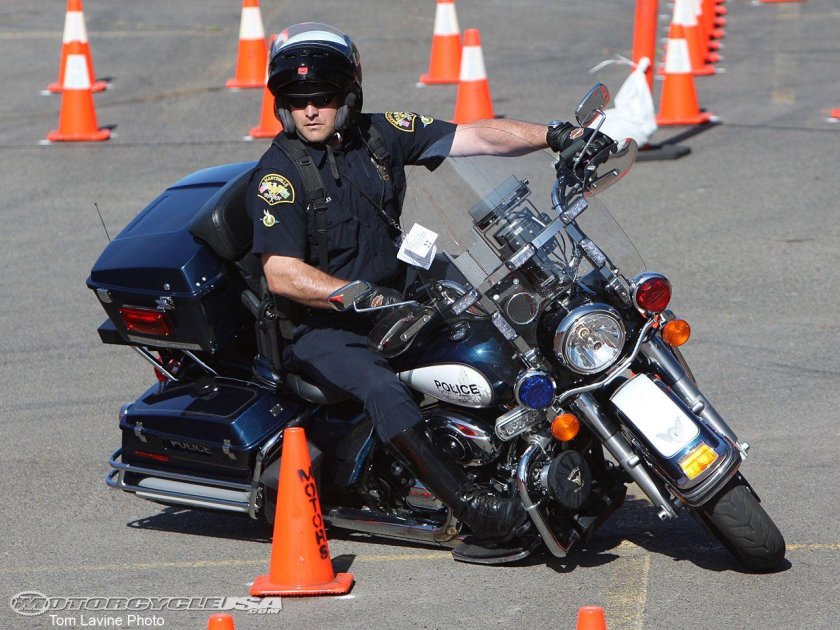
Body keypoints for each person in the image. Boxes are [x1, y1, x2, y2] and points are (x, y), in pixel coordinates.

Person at [246, 22, 613, 556]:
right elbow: (281, 272)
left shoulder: (380, 134)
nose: (310, 112)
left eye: (322, 99)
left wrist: (558, 136)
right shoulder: (277, 177)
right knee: (381, 388)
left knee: (506, 330)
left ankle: (561, 451)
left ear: (348, 96)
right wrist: (354, 295)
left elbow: (477, 136)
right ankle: (473, 508)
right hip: (322, 325)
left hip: (397, 296)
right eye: (297, 101)